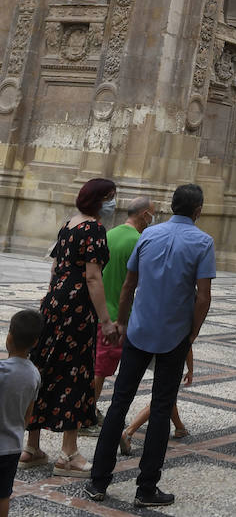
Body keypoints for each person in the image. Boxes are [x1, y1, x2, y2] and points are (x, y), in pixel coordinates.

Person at [85, 182, 215, 509]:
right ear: (198, 211)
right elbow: (203, 297)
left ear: (171, 206)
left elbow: (129, 285)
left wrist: (121, 323)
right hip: (173, 336)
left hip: (138, 331)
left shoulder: (148, 235)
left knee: (118, 404)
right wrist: (192, 335)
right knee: (161, 408)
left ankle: (98, 481)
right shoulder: (203, 242)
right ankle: (146, 488)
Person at [23, 177, 118, 476]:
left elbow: (55, 267)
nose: (114, 202)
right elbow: (93, 277)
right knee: (75, 373)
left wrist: (54, 294)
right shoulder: (94, 228)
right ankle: (69, 454)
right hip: (77, 307)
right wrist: (105, 320)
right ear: (99, 200)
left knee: (43, 366)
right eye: (111, 197)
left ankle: (31, 445)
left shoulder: (69, 225)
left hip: (53, 301)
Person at [94, 196, 156, 413]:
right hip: (118, 315)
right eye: (152, 213)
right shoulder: (139, 241)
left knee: (93, 365)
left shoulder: (109, 234)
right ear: (143, 215)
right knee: (100, 371)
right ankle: (87, 414)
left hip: (98, 308)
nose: (153, 218)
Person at [0, 310, 42, 517]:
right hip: (13, 447)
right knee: (3, 495)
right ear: (34, 342)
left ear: (9, 336)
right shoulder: (34, 374)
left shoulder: (1, 370)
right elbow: (28, 416)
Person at [120, 349, 192, 454]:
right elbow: (188, 344)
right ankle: (128, 432)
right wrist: (191, 369)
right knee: (163, 398)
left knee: (168, 396)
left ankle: (179, 428)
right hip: (170, 356)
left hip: (151, 351)